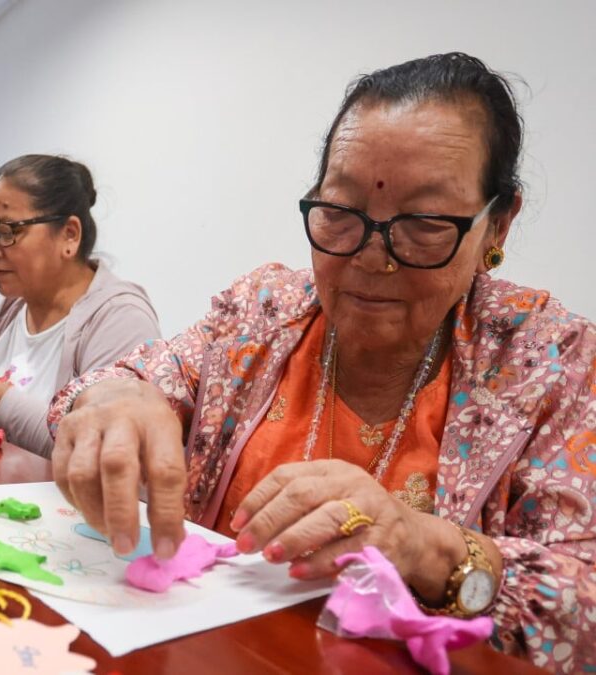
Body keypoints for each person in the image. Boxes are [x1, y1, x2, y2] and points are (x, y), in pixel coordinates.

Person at [48, 54, 595, 672]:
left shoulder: (549, 361)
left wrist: (426, 546)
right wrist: (116, 397)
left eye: (421, 224)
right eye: (340, 212)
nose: (372, 257)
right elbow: (122, 386)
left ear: (497, 225)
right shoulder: (263, 311)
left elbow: (584, 612)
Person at [0, 155, 161, 456]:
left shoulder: (120, 318)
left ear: (69, 234)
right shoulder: (13, 307)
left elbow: (99, 452)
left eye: (7, 232)